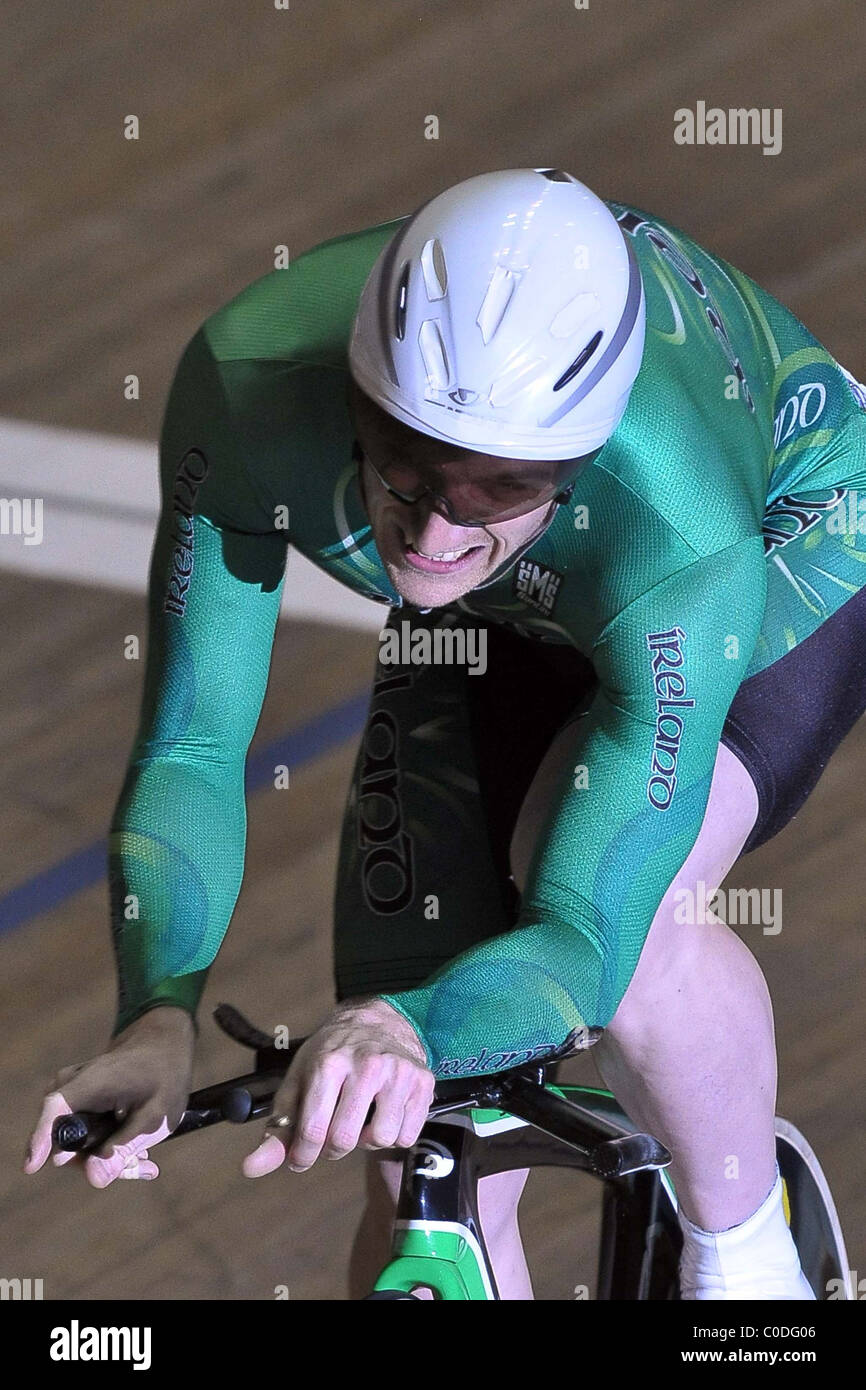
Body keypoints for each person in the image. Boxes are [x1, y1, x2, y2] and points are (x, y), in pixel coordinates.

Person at [25, 168, 866, 1300]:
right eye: (404, 467)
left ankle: (750, 1260)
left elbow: (581, 930)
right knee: (404, 1144)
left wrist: (408, 1026)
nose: (426, 536)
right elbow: (190, 749)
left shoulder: (677, 521)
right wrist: (155, 1014)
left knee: (632, 935)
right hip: (519, 605)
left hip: (785, 545)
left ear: (575, 457)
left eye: (491, 492)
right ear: (357, 393)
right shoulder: (248, 387)